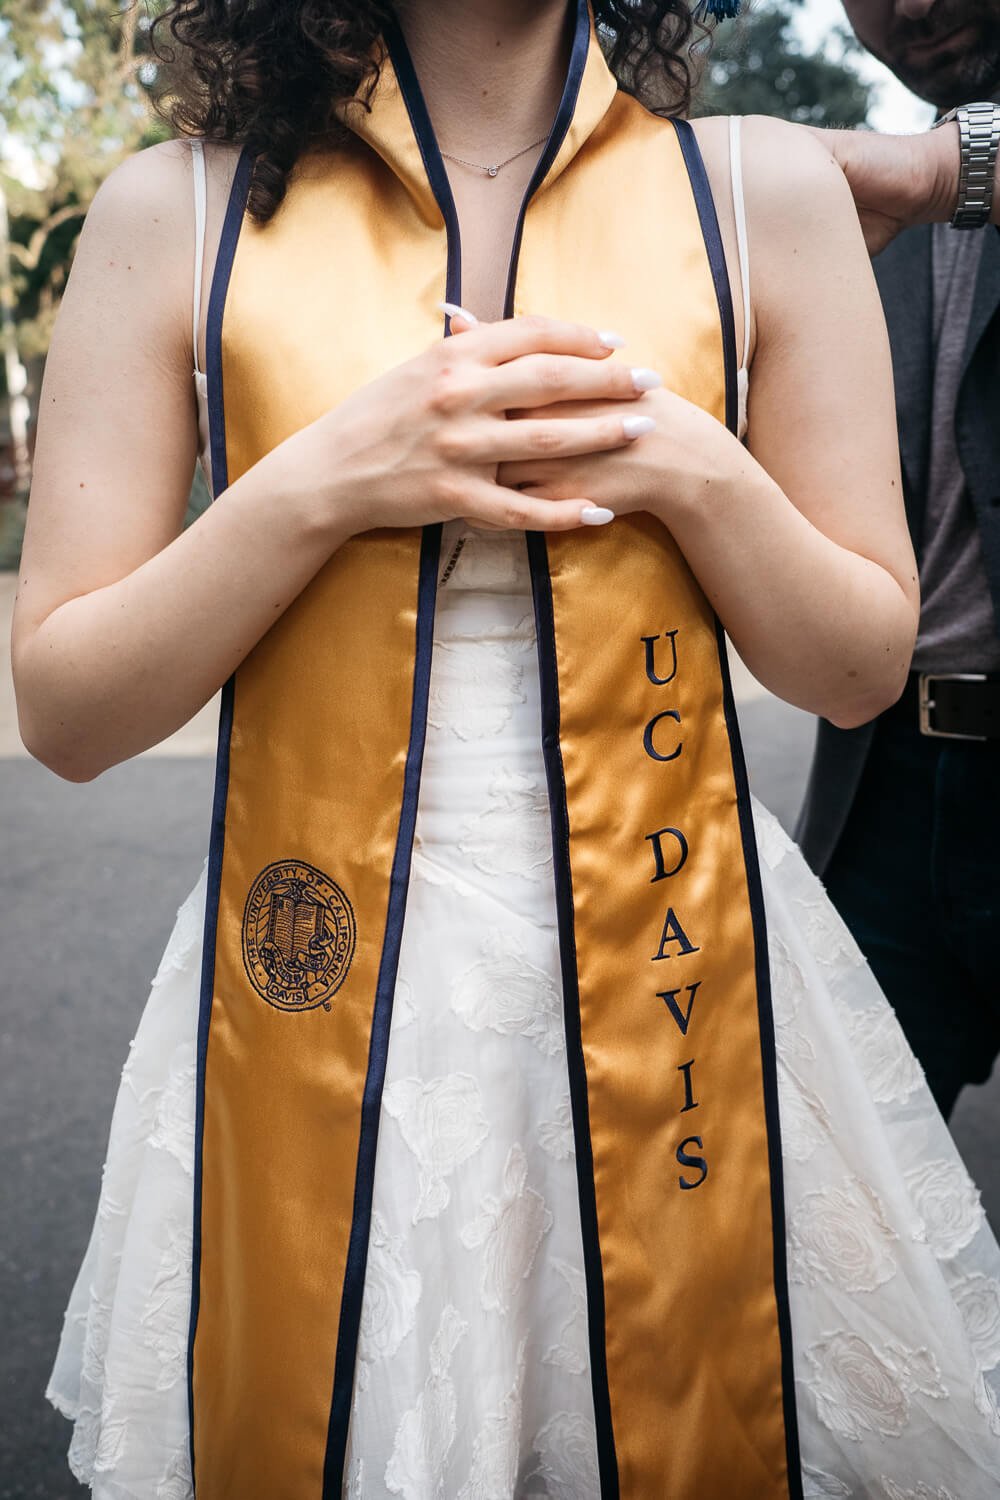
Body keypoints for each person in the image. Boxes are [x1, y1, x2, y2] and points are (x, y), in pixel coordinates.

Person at [14, 1, 1000, 1496]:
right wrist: (324, 482)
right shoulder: (179, 207)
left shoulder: (756, 190)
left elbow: (857, 665)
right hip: (324, 988)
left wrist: (697, 469)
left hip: (691, 961)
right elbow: (68, 713)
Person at [796, 0, 1000, 1120]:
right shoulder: (855, 221)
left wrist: (941, 169)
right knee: (846, 1198)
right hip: (887, 784)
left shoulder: (913, 175)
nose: (909, 4)